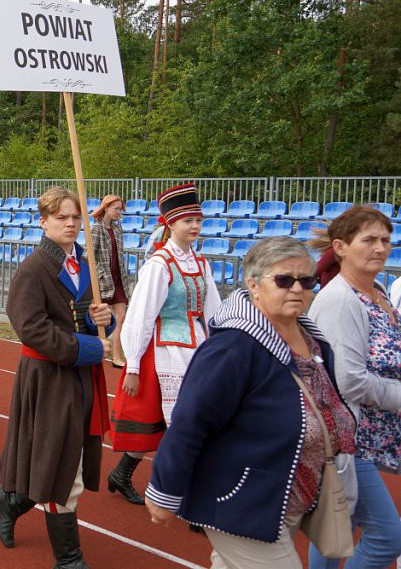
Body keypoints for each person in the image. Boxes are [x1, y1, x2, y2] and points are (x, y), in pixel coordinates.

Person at [145, 236, 357, 569]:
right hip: (242, 498)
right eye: (284, 280)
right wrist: (165, 491)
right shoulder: (233, 348)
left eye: (307, 280)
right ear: (253, 285)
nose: (298, 288)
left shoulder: (311, 339)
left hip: (284, 497)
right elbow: (190, 421)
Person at [0, 187, 112, 569]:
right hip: (48, 377)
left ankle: (11, 499)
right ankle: (69, 560)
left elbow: (83, 316)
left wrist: (99, 321)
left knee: (63, 456)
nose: (71, 224)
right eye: (62, 217)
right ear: (43, 221)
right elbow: (31, 328)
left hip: (79, 376)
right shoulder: (33, 268)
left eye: (76, 217)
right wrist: (87, 348)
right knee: (61, 463)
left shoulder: (85, 262)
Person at [108, 183, 220, 506]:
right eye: (188, 221)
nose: (195, 226)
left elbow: (213, 312)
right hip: (164, 353)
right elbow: (141, 316)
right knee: (170, 423)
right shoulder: (160, 264)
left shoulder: (201, 263)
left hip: (195, 349)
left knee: (185, 422)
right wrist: (131, 366)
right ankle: (185, 494)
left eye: (198, 220)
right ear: (171, 224)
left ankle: (129, 476)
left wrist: (222, 348)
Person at [307, 206, 401, 569]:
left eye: (385, 240)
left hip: (364, 437)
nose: (380, 248)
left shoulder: (376, 291)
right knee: (386, 537)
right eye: (369, 240)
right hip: (346, 438)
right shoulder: (341, 300)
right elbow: (349, 381)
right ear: (341, 247)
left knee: (337, 528)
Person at [90, 194, 132, 368]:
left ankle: (116, 357)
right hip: (103, 279)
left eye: (120, 209)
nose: (118, 213)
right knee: (99, 318)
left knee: (121, 316)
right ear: (106, 208)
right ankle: (96, 351)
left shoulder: (118, 228)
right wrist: (97, 274)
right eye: (115, 208)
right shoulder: (96, 229)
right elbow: (89, 255)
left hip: (118, 279)